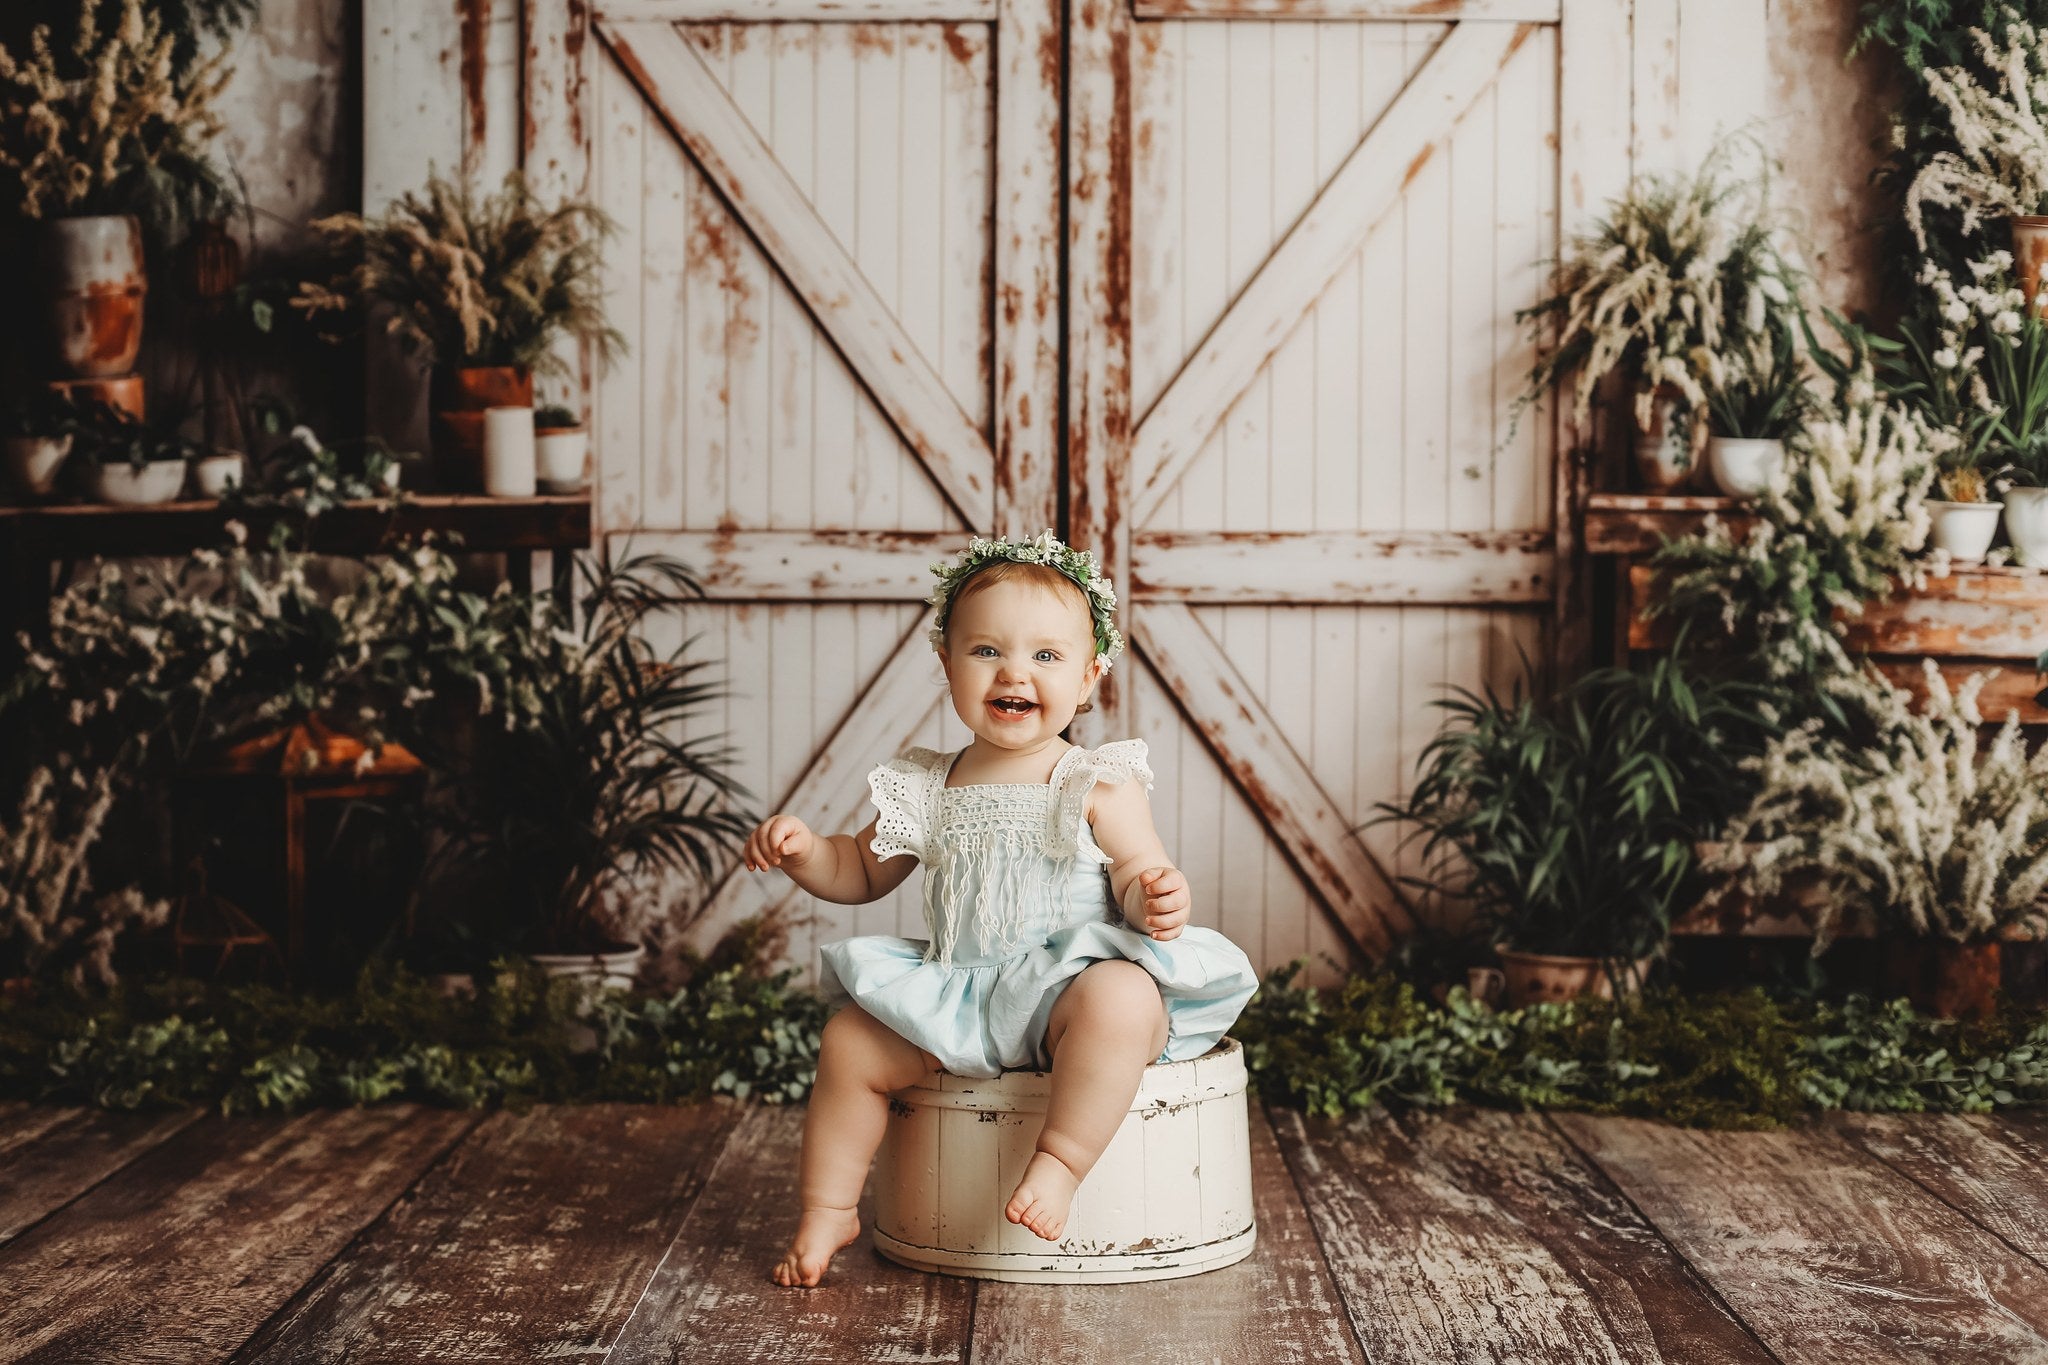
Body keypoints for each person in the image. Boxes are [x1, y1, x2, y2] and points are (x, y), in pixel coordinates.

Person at [744, 530, 1260, 1289]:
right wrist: (804, 851)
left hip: (1063, 994)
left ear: (1089, 677)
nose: (1015, 671)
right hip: (963, 994)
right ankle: (829, 1206)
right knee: (851, 1040)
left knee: (1122, 996)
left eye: (1046, 657)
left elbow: (1135, 869)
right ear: (947, 663)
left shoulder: (1093, 780)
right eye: (986, 650)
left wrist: (1155, 895)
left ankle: (1060, 1159)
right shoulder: (926, 783)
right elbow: (859, 870)